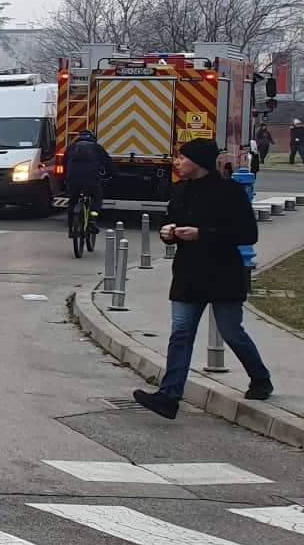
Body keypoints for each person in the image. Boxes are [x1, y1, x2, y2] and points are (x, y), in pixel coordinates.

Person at [133, 138, 271, 419]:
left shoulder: (229, 191)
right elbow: (169, 225)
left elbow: (247, 234)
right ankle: (169, 396)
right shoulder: (179, 190)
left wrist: (202, 234)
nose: (178, 163)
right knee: (181, 334)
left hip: (223, 274)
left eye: (183, 158)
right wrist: (167, 233)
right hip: (188, 274)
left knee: (232, 331)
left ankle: (261, 379)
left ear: (198, 162)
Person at [62, 130, 116, 220]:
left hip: (73, 179)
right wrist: (111, 174)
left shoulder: (71, 147)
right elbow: (107, 162)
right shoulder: (97, 148)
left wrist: (65, 176)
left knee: (72, 200)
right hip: (92, 179)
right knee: (97, 197)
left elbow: (64, 163)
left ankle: (71, 224)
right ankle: (93, 218)